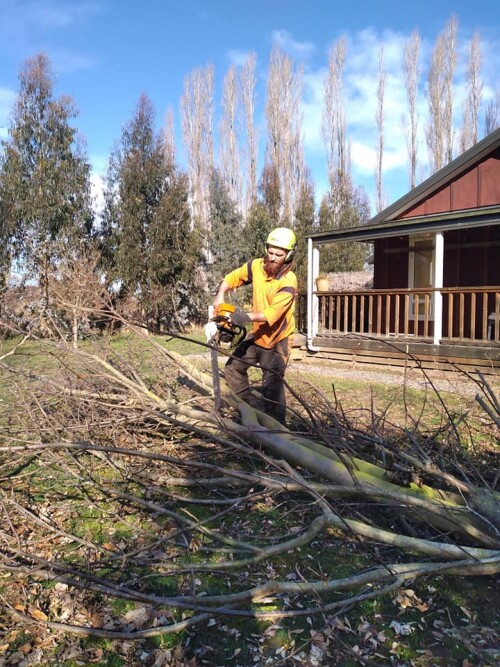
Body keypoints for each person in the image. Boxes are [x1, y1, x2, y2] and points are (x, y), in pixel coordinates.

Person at [213, 227, 297, 423]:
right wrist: (220, 294)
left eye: (279, 254)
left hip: (278, 339)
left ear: (289, 255)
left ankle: (278, 429)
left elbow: (271, 315)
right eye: (271, 252)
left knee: (272, 386)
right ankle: (250, 409)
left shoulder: (288, 281)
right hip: (259, 334)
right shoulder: (257, 267)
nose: (273, 257)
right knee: (233, 368)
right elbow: (232, 278)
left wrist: (243, 317)